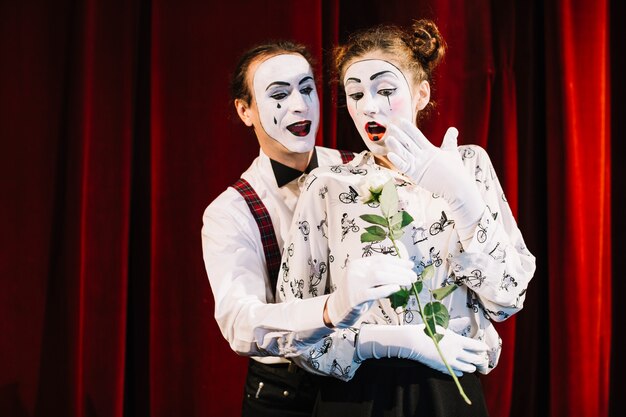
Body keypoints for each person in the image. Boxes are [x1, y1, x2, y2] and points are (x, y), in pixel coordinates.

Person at [276, 20, 536, 416]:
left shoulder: (468, 164)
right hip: (357, 397)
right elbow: (293, 327)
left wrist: (462, 197)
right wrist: (382, 340)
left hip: (449, 393)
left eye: (385, 90)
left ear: (421, 94)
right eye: (356, 93)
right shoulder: (327, 185)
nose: (369, 106)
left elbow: (507, 297)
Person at [201, 41, 418, 417]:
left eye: (306, 89)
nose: (300, 106)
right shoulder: (232, 211)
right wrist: (332, 309)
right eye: (279, 95)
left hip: (365, 383)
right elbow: (240, 323)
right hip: (286, 394)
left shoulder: (363, 168)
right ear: (245, 110)